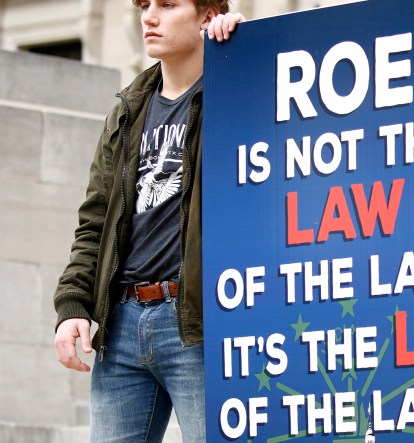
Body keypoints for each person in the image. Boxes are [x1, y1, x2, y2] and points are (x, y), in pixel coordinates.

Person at [52, 1, 243, 441]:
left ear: (207, 15)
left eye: (168, 4)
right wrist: (72, 304)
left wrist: (249, 49)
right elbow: (94, 222)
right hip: (120, 325)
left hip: (197, 324)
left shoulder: (234, 93)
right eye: (145, 5)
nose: (149, 17)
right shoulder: (127, 111)